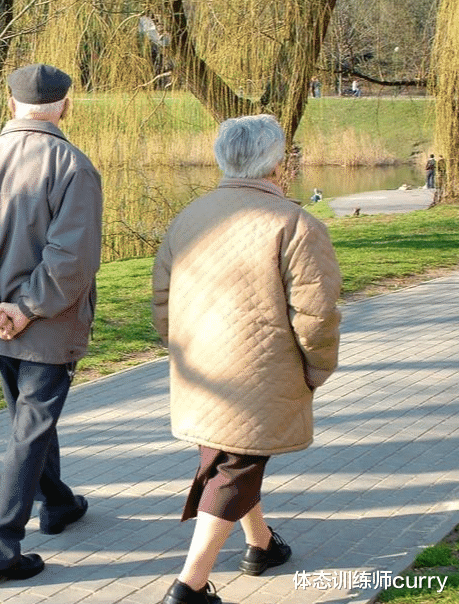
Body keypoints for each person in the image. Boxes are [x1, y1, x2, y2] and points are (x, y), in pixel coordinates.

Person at [152, 114, 342, 604]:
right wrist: (318, 367)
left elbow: (162, 299)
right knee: (235, 466)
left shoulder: (190, 216)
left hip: (201, 370)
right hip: (261, 372)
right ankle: (190, 587)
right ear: (277, 163)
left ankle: (261, 543)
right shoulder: (295, 223)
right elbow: (316, 314)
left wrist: (180, 349)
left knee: (230, 455)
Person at [0, 63, 102, 584]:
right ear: (65, 106)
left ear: (11, 104)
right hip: (47, 325)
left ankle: (59, 503)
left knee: (30, 425)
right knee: (29, 432)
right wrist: (25, 309)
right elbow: (71, 258)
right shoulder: (73, 165)